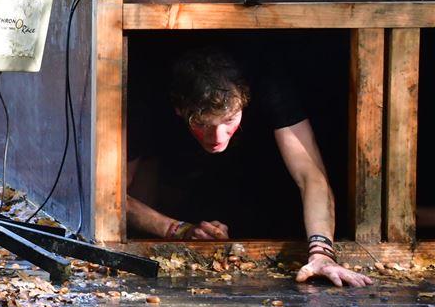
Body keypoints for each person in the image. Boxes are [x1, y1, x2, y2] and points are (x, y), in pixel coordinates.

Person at [126, 48, 372, 288]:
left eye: (229, 120)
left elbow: (311, 176)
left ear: (244, 102)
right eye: (202, 124)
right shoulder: (147, 102)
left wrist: (322, 254)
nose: (217, 137)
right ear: (179, 110)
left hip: (258, 184)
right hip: (177, 179)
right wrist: (178, 230)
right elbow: (113, 198)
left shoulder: (270, 85)